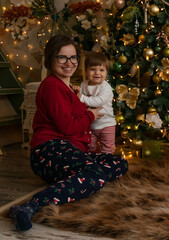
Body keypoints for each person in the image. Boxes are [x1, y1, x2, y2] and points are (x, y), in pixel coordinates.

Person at [8, 35, 128, 231]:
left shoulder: (71, 89)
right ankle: (30, 206)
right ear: (50, 59)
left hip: (70, 151)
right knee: (95, 175)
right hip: (49, 149)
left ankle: (75, 179)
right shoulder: (51, 86)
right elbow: (67, 127)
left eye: (73, 58)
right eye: (62, 57)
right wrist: (90, 115)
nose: (69, 63)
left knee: (119, 163)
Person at [76, 52, 116, 154]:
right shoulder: (84, 84)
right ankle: (93, 165)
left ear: (107, 72)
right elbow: (79, 101)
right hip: (90, 124)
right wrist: (77, 92)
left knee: (107, 148)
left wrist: (82, 98)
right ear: (86, 71)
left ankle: (106, 165)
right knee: (90, 148)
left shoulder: (105, 87)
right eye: (92, 69)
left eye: (101, 70)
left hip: (106, 124)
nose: (97, 73)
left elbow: (99, 101)